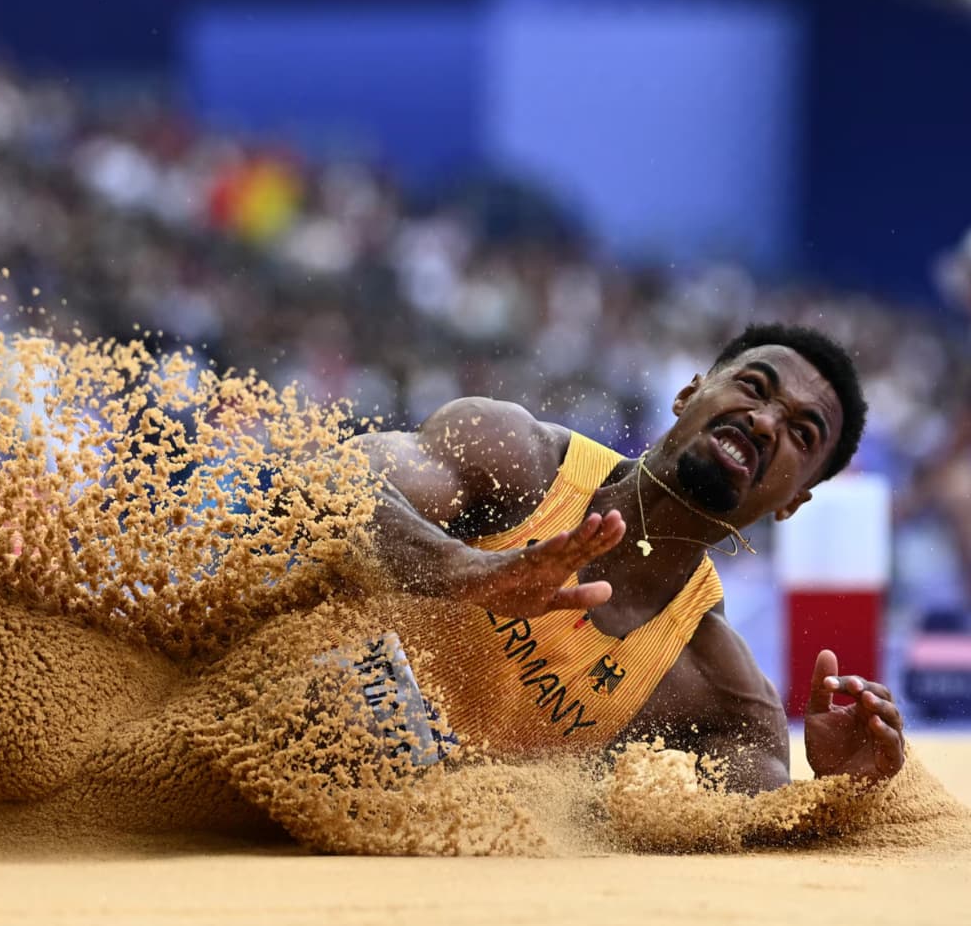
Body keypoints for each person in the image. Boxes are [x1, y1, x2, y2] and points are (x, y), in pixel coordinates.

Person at [348, 322, 905, 793]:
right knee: (356, 691)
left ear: (794, 502)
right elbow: (332, 483)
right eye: (754, 388)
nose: (764, 422)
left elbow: (763, 814)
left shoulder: (719, 691)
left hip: (405, 844)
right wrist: (469, 573)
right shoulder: (513, 457)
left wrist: (842, 794)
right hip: (296, 695)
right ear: (689, 394)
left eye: (801, 433)